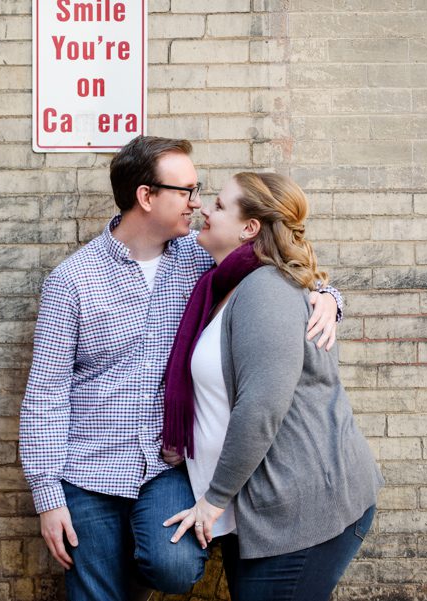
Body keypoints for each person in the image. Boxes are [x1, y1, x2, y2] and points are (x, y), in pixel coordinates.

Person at [18, 136, 343, 601]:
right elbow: (46, 393)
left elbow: (286, 271)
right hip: (89, 467)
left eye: (199, 190)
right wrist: (47, 494)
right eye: (186, 191)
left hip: (167, 465)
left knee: (173, 568)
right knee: (94, 591)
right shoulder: (72, 280)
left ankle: (127, 558)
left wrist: (330, 300)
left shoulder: (201, 255)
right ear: (146, 197)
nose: (196, 203)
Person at [161, 172, 384, 601]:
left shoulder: (265, 289)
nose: (205, 208)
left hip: (301, 513)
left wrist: (214, 499)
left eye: (220, 206)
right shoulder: (225, 284)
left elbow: (261, 406)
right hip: (264, 511)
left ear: (249, 229)